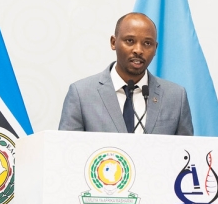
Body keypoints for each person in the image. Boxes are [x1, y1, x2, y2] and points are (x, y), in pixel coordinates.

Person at [57, 13, 193, 135]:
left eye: (147, 43)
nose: (138, 50)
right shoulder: (81, 94)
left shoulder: (176, 97)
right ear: (113, 42)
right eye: (130, 41)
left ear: (155, 48)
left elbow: (186, 154)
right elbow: (66, 152)